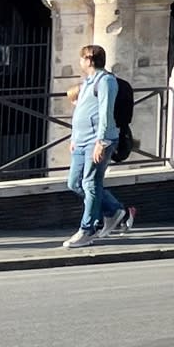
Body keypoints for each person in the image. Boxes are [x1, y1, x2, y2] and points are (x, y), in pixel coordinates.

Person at [63, 44, 135, 248]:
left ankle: (88, 229)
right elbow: (81, 112)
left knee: (91, 184)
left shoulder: (106, 81)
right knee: (75, 183)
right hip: (82, 141)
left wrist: (101, 143)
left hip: (97, 141)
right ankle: (113, 211)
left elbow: (105, 113)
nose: (79, 63)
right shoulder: (87, 82)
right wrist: (74, 138)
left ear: (88, 60)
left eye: (81, 59)